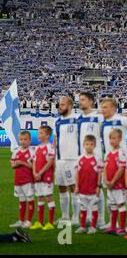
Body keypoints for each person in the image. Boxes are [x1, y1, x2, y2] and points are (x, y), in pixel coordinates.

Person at [77, 92, 106, 228]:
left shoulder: (99, 117)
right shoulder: (79, 118)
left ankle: (101, 219)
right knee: (84, 190)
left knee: (98, 189)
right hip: (83, 158)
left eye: (82, 100)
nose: (80, 102)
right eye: (79, 100)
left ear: (91, 101)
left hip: (97, 158)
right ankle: (88, 218)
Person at [55, 96, 80, 226]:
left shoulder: (77, 119)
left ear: (70, 106)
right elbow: (56, 139)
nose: (60, 106)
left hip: (72, 159)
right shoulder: (58, 121)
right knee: (62, 188)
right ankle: (65, 216)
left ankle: (76, 217)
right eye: (60, 104)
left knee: (73, 188)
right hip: (59, 160)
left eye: (63, 104)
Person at [74, 135, 103, 235]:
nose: (89, 146)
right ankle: (82, 226)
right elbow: (77, 173)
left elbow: (99, 173)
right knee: (83, 207)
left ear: (94, 146)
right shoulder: (80, 159)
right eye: (87, 144)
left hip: (93, 189)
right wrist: (77, 186)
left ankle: (93, 227)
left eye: (91, 144)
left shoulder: (97, 159)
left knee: (94, 207)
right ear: (83, 145)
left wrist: (98, 186)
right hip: (82, 188)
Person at [30, 126, 56, 230]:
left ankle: (50, 222)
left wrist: (40, 172)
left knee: (48, 196)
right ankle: (40, 222)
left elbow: (50, 162)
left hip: (47, 176)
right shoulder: (36, 148)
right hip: (37, 176)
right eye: (38, 133)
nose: (38, 135)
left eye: (41, 133)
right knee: (39, 197)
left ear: (47, 135)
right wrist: (34, 172)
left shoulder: (50, 147)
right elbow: (34, 162)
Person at [103, 129, 127, 236]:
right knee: (112, 205)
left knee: (120, 204)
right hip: (110, 184)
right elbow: (105, 167)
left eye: (114, 138)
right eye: (110, 138)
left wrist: (113, 181)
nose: (112, 141)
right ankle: (113, 226)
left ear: (120, 139)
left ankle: (122, 228)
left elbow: (122, 168)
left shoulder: (122, 152)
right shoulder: (108, 153)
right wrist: (106, 180)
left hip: (118, 184)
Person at [9, 131, 35, 229]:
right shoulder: (16, 151)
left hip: (28, 180)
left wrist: (21, 163)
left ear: (30, 140)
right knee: (21, 200)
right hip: (18, 180)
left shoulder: (32, 151)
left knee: (30, 199)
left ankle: (28, 221)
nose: (23, 141)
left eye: (25, 139)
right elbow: (12, 165)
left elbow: (34, 166)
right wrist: (17, 163)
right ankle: (21, 220)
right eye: (21, 139)